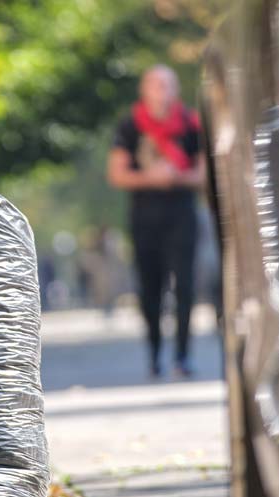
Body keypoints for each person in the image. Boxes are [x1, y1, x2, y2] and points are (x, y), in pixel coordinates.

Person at [107, 64, 203, 378]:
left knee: (185, 286)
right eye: (156, 85)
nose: (162, 91)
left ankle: (182, 356)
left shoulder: (191, 125)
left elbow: (203, 175)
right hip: (144, 219)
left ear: (176, 90)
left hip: (182, 217)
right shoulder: (130, 126)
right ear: (144, 90)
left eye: (168, 85)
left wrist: (177, 177)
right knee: (151, 290)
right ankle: (154, 353)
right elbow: (118, 174)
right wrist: (151, 177)